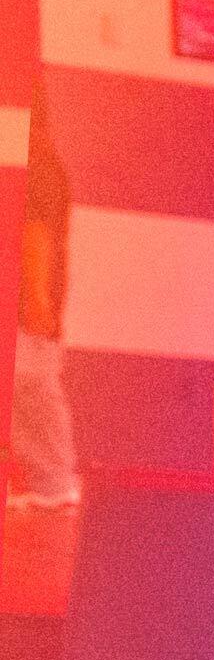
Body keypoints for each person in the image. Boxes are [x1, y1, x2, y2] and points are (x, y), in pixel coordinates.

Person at [11, 75, 79, 514]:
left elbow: (38, 235)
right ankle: (50, 481)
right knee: (30, 388)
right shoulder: (42, 165)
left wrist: (36, 299)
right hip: (33, 297)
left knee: (33, 386)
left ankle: (55, 483)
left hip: (30, 300)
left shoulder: (37, 169)